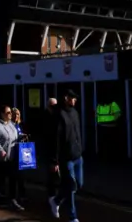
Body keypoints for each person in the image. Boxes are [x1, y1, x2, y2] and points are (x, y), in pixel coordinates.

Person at [48, 90, 83, 222]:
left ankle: (56, 201)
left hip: (78, 156)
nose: (75, 100)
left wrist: (80, 147)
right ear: (66, 98)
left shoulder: (75, 113)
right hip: (66, 158)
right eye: (73, 98)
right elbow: (55, 139)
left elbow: (77, 132)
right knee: (71, 186)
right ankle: (72, 217)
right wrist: (54, 161)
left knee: (78, 184)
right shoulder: (59, 115)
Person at [0, 105, 23, 210]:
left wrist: (22, 136)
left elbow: (15, 136)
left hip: (12, 157)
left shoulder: (12, 124)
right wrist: (1, 151)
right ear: (2, 114)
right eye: (8, 113)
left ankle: (12, 199)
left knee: (13, 178)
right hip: (0, 158)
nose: (10, 114)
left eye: (10, 113)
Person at [44, 97, 60, 197]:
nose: (54, 108)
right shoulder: (46, 119)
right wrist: (54, 161)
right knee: (52, 178)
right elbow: (50, 141)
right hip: (51, 155)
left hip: (59, 155)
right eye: (52, 106)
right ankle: (52, 197)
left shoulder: (58, 117)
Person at [11, 107, 27, 202]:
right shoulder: (10, 125)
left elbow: (18, 134)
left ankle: (22, 194)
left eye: (18, 114)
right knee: (14, 176)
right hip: (12, 153)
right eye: (14, 114)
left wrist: (23, 136)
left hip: (20, 153)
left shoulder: (18, 125)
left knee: (21, 175)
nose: (16, 116)